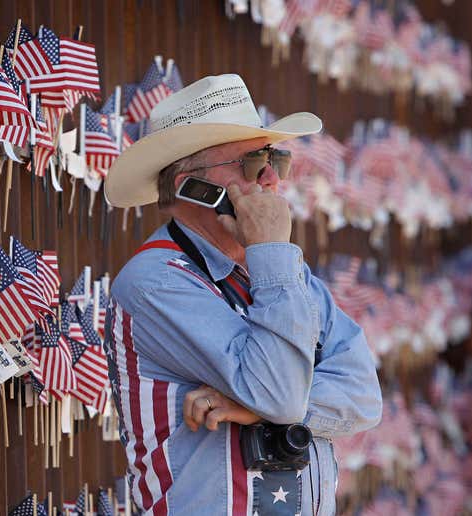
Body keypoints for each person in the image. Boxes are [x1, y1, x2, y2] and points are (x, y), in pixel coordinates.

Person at [102, 74, 382, 516]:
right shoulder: (154, 283)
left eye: (274, 158)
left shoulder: (286, 275)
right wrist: (277, 403)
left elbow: (364, 395)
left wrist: (254, 409)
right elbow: (279, 395)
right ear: (192, 186)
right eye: (251, 162)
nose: (271, 177)